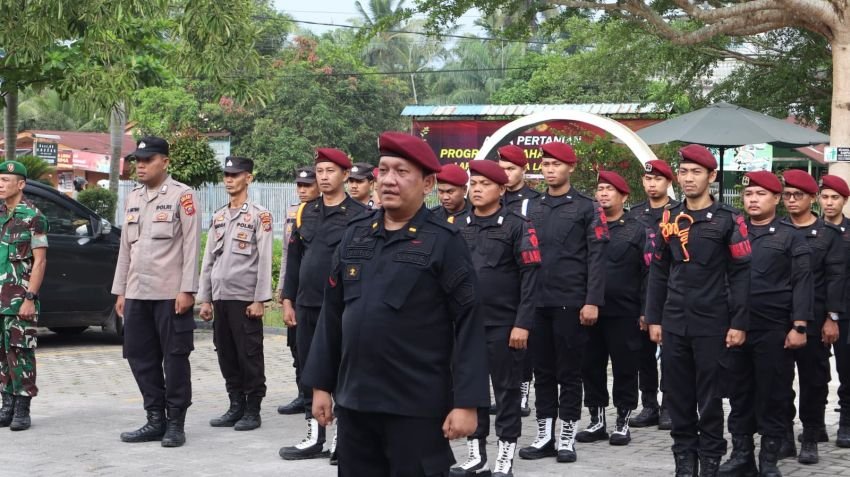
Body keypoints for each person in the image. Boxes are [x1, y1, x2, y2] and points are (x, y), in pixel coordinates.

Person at [302, 131, 489, 476]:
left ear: (428, 183)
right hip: (356, 401)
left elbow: (469, 323)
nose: (389, 180)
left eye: (402, 172)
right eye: (384, 170)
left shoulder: (445, 242)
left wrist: (467, 403)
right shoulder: (355, 235)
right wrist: (320, 385)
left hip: (415, 405)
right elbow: (332, 315)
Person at [645, 144, 751, 476]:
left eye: (696, 172)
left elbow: (741, 273)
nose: (689, 178)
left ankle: (710, 461)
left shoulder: (729, 219)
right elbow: (659, 270)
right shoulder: (669, 217)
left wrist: (739, 322)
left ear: (711, 176)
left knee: (710, 399)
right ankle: (684, 461)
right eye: (684, 172)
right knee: (678, 396)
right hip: (675, 320)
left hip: (713, 321)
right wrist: (654, 317)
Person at [518, 142, 609, 464]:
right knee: (542, 372)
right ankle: (544, 436)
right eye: (545, 164)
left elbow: (597, 256)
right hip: (537, 301)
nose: (550, 169)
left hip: (571, 300)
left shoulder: (587, 207)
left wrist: (592, 300)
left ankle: (567, 437)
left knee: (569, 373)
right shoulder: (532, 206)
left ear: (571, 167)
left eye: (556, 164)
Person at [718, 171, 812, 477]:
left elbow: (802, 282)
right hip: (735, 326)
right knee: (739, 394)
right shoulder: (733, 232)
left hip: (773, 328)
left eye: (760, 194)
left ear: (776, 198)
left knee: (774, 393)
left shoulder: (790, 236)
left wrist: (799, 326)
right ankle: (741, 455)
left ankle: (768, 459)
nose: (753, 200)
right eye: (748, 194)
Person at [451, 159, 540, 477]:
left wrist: (523, 323)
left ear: (501, 190)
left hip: (504, 325)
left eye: (485, 184)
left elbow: (531, 278)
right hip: (466, 325)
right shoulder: (458, 225)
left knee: (506, 393)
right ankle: (477, 456)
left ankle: (505, 457)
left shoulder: (517, 225)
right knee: (470, 391)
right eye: (473, 184)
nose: (476, 189)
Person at [112, 136, 202, 448]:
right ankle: (154, 419)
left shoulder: (182, 196)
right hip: (137, 292)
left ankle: (175, 422)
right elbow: (126, 248)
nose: (141, 166)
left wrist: (187, 289)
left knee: (175, 358)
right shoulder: (133, 197)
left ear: (165, 161)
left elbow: (191, 245)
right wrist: (121, 290)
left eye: (148, 160)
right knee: (139, 356)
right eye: (138, 160)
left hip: (170, 294)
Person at [279, 148, 366, 461]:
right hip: (307, 304)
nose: (324, 177)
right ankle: (314, 434)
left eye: (331, 171)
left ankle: (343, 437)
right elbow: (294, 259)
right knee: (308, 368)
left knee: (343, 369)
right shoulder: (306, 211)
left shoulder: (361, 215)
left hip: (341, 307)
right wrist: (287, 300)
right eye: (320, 171)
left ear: (345, 174)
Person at [198, 156, 273, 432]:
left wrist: (259, 299)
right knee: (226, 353)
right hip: (220, 296)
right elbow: (209, 259)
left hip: (244, 299)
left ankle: (253, 409)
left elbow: (265, 260)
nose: (229, 180)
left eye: (235, 175)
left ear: (248, 178)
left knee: (249, 355)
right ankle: (235, 404)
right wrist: (205, 298)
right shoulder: (218, 216)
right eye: (226, 175)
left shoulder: (259, 216)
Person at [577, 171, 646, 447]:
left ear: (624, 196)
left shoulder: (637, 229)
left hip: (624, 310)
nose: (603, 194)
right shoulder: (587, 225)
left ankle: (623, 421)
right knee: (590, 366)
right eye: (600, 189)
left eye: (610, 189)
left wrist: (646, 310)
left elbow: (648, 272)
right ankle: (597, 420)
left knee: (625, 367)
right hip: (589, 309)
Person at [780, 169, 844, 464]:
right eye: (787, 195)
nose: (792, 200)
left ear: (812, 198)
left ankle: (810, 435)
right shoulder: (777, 229)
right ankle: (783, 434)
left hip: (816, 318)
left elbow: (835, 278)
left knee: (814, 380)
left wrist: (832, 318)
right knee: (779, 379)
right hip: (780, 316)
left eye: (798, 195)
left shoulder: (828, 234)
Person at [627, 159, 678, 430]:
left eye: (657, 179)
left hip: (671, 293)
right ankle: (649, 404)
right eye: (648, 179)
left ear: (668, 182)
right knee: (643, 353)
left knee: (670, 354)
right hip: (640, 293)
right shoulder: (635, 214)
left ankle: (669, 404)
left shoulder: (678, 213)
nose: (652, 184)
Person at [0, 161, 48, 432]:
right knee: (1, 355)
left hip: (19, 300)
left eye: (6, 180)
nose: (0, 184)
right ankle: (6, 405)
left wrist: (30, 297)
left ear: (21, 184)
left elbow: (40, 261)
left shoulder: (34, 217)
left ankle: (22, 408)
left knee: (21, 353)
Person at [497, 143, 540, 416]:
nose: (505, 174)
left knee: (523, 341)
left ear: (523, 170)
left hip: (527, 274)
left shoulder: (534, 201)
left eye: (511, 169)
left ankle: (523, 391)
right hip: (500, 280)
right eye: (501, 169)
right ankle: (503, 391)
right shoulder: (493, 197)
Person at [277, 166, 320, 416]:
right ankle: (303, 394)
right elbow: (288, 255)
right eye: (299, 186)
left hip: (318, 294)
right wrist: (284, 292)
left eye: (307, 185)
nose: (302, 190)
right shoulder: (295, 212)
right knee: (297, 347)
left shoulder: (327, 213)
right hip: (298, 290)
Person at [818, 174, 850, 448]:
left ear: (844, 200)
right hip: (815, 310)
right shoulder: (811, 229)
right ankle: (815, 424)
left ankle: (846, 424)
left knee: (847, 370)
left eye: (835, 198)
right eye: (825, 197)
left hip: (847, 311)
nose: (829, 203)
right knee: (816, 371)